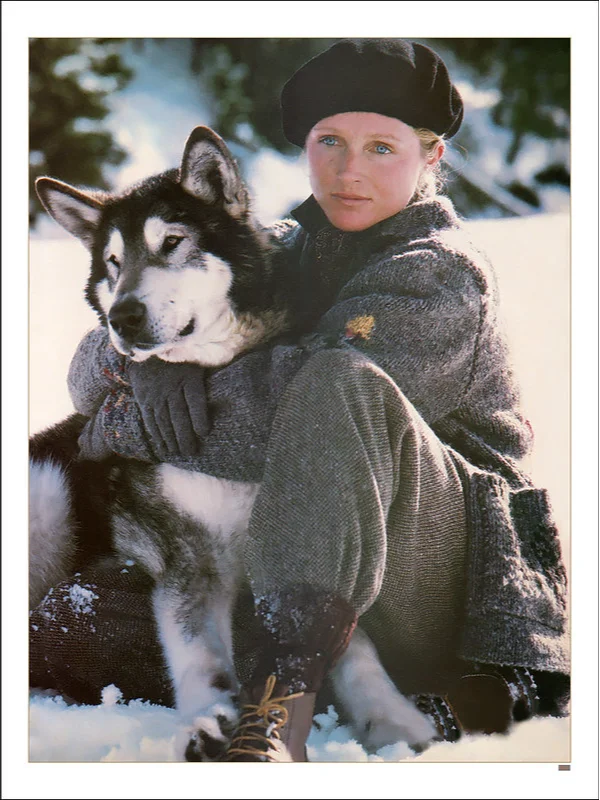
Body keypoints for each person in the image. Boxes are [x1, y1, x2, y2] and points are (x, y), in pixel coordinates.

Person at [29, 39, 570, 762]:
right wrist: (147, 357)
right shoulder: (284, 245)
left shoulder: (441, 278)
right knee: (69, 627)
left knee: (334, 379)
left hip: (444, 575)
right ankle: (273, 672)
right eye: (330, 143)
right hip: (313, 563)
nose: (350, 170)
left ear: (432, 157)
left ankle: (283, 703)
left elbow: (284, 423)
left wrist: (129, 417)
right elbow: (87, 368)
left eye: (382, 147)